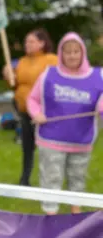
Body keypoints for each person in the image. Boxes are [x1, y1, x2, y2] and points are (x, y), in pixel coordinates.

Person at [27, 32, 103, 215]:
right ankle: (50, 215)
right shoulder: (49, 75)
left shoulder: (98, 76)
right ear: (61, 53)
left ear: (82, 53)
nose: (72, 55)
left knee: (77, 179)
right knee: (51, 178)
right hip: (51, 140)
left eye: (76, 51)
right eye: (68, 52)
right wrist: (36, 114)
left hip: (81, 141)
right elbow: (32, 99)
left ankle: (75, 215)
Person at [3, 28, 58, 186]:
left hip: (44, 113)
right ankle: (25, 179)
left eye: (31, 41)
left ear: (42, 43)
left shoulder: (51, 60)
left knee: (46, 148)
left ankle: (48, 179)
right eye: (26, 41)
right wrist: (9, 77)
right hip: (24, 111)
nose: (27, 44)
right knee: (27, 146)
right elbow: (15, 86)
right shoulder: (22, 62)